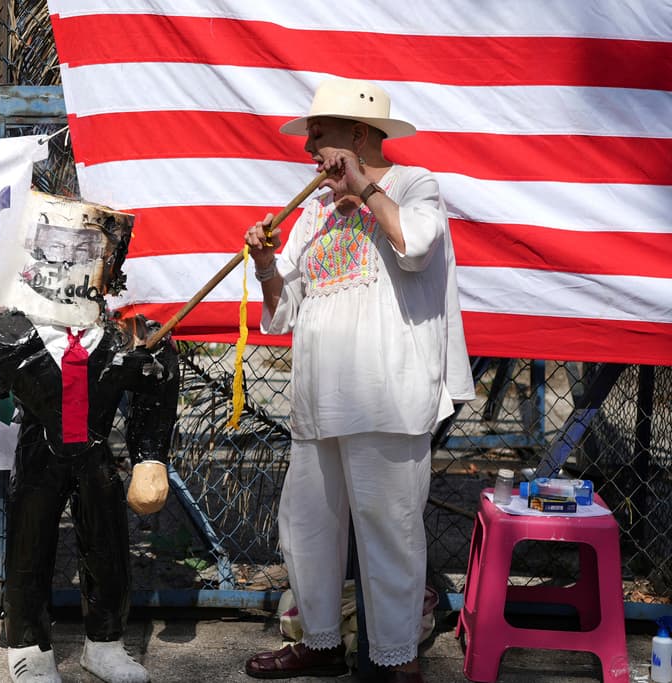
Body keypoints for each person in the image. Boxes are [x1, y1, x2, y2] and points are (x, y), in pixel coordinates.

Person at [243, 78, 475, 682]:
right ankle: (320, 643)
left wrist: (366, 189)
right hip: (318, 398)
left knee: (390, 533)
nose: (307, 145)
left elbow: (415, 246)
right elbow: (283, 307)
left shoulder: (414, 185)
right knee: (306, 529)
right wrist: (267, 262)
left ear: (361, 134)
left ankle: (397, 662)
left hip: (389, 394)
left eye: (319, 133)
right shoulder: (313, 209)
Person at [0, 192, 180, 683]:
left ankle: (106, 643)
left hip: (96, 458)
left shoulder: (130, 337)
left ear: (110, 258)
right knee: (29, 548)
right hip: (39, 455)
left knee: (109, 549)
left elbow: (157, 386)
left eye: (84, 247)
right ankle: (28, 643)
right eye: (54, 244)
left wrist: (150, 458)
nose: (68, 258)